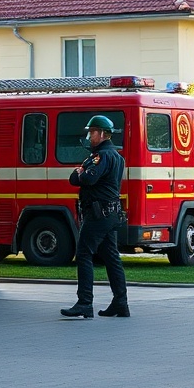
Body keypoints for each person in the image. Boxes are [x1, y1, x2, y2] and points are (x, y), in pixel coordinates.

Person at [60, 114, 130, 319]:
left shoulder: (100, 156)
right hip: (111, 213)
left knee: (83, 253)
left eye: (92, 132)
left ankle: (84, 303)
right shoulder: (116, 156)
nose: (89, 136)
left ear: (102, 133)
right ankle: (120, 303)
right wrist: (81, 174)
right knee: (111, 257)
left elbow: (86, 179)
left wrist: (81, 172)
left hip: (98, 213)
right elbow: (76, 178)